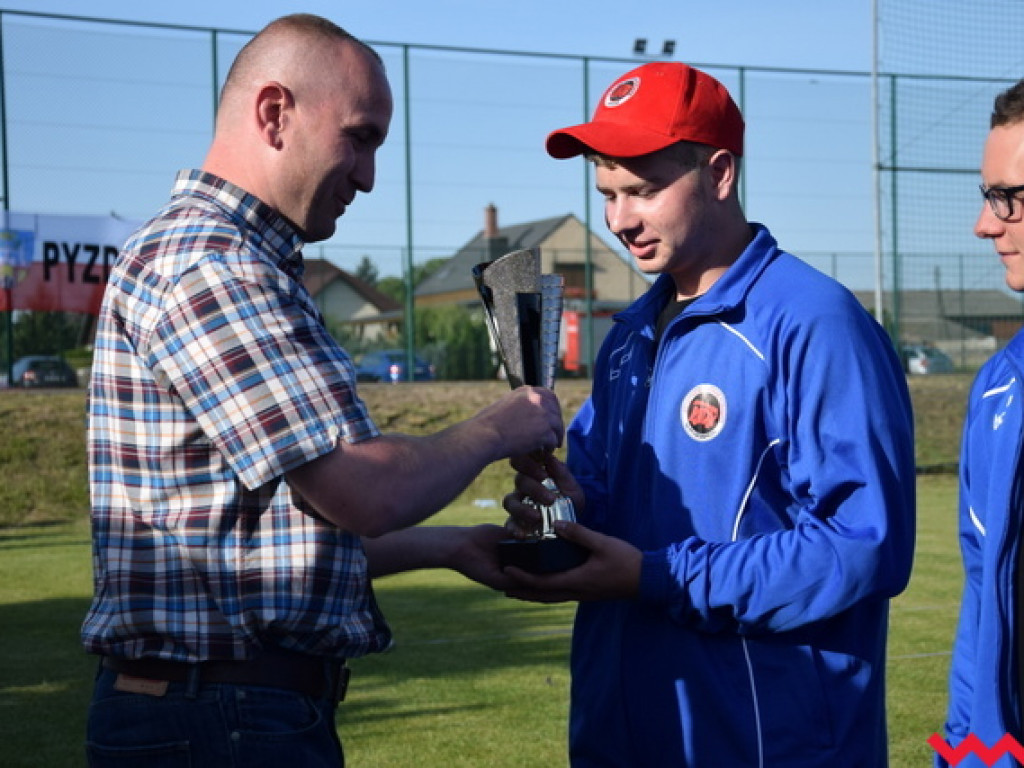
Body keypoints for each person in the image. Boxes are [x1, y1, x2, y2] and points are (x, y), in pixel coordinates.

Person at [81, 14, 564, 767]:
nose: (369, 174)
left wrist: (454, 547)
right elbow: (361, 493)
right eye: (361, 137)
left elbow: (271, 542)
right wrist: (498, 429)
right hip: (222, 716)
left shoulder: (244, 265)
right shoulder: (214, 267)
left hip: (223, 709)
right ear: (275, 113)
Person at [502, 61, 916, 766]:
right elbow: (621, 517)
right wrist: (572, 512)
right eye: (606, 193)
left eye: (643, 190)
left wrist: (656, 576)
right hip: (622, 733)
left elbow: (862, 545)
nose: (619, 220)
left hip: (765, 740)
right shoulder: (629, 337)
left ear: (721, 174)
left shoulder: (815, 324)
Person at [938, 78, 1024, 765]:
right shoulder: (999, 386)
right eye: (986, 196)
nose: (986, 224)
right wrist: (967, 752)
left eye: (1010, 198)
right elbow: (981, 607)